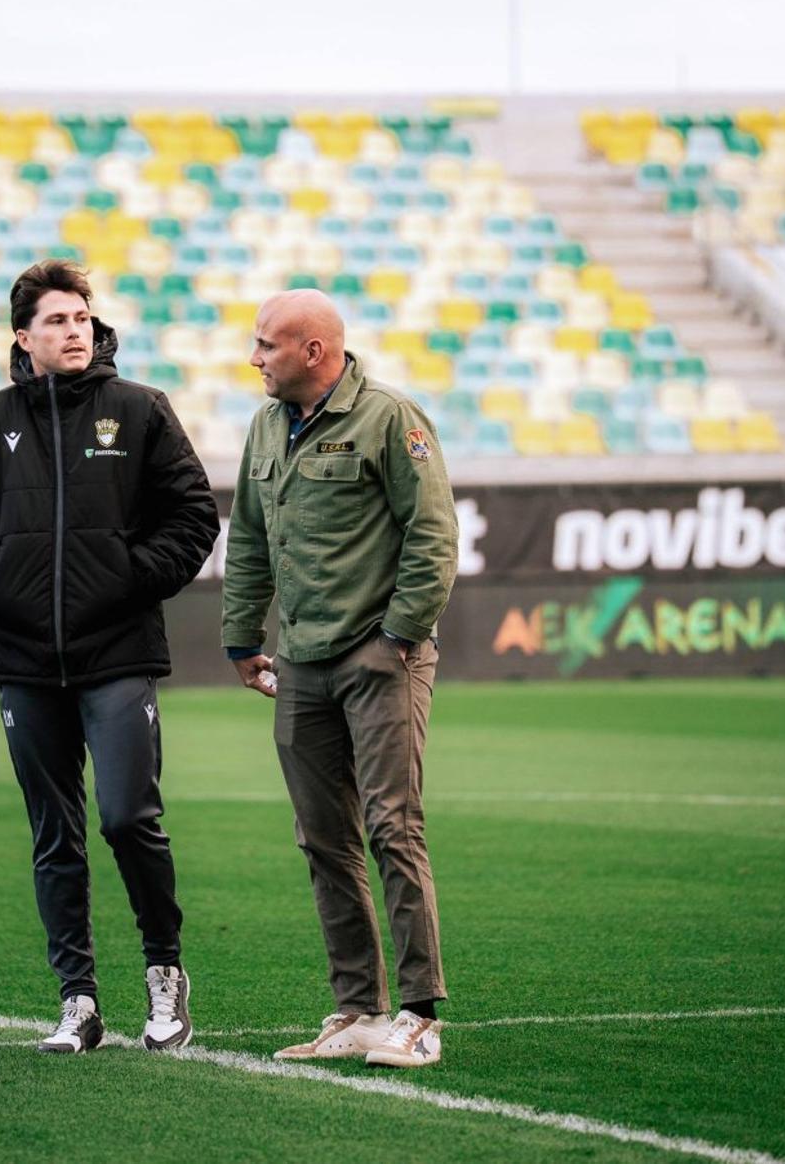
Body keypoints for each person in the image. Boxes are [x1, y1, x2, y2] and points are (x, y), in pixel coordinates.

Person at [0, 258, 219, 1055]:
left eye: (82, 318)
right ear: (23, 337)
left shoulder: (139, 411)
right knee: (53, 835)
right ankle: (79, 1001)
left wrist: (130, 578)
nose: (74, 331)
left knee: (129, 818)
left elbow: (195, 516)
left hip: (119, 652)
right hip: (25, 661)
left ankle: (165, 975)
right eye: (57, 320)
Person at [221, 289, 459, 1069]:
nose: (254, 358)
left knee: (394, 825)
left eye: (267, 345)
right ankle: (359, 1008)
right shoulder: (263, 426)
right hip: (300, 664)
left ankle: (419, 1015)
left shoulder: (392, 418)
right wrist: (241, 639)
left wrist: (397, 637)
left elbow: (433, 534)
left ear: (314, 351)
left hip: (378, 657)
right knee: (323, 837)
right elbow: (249, 539)